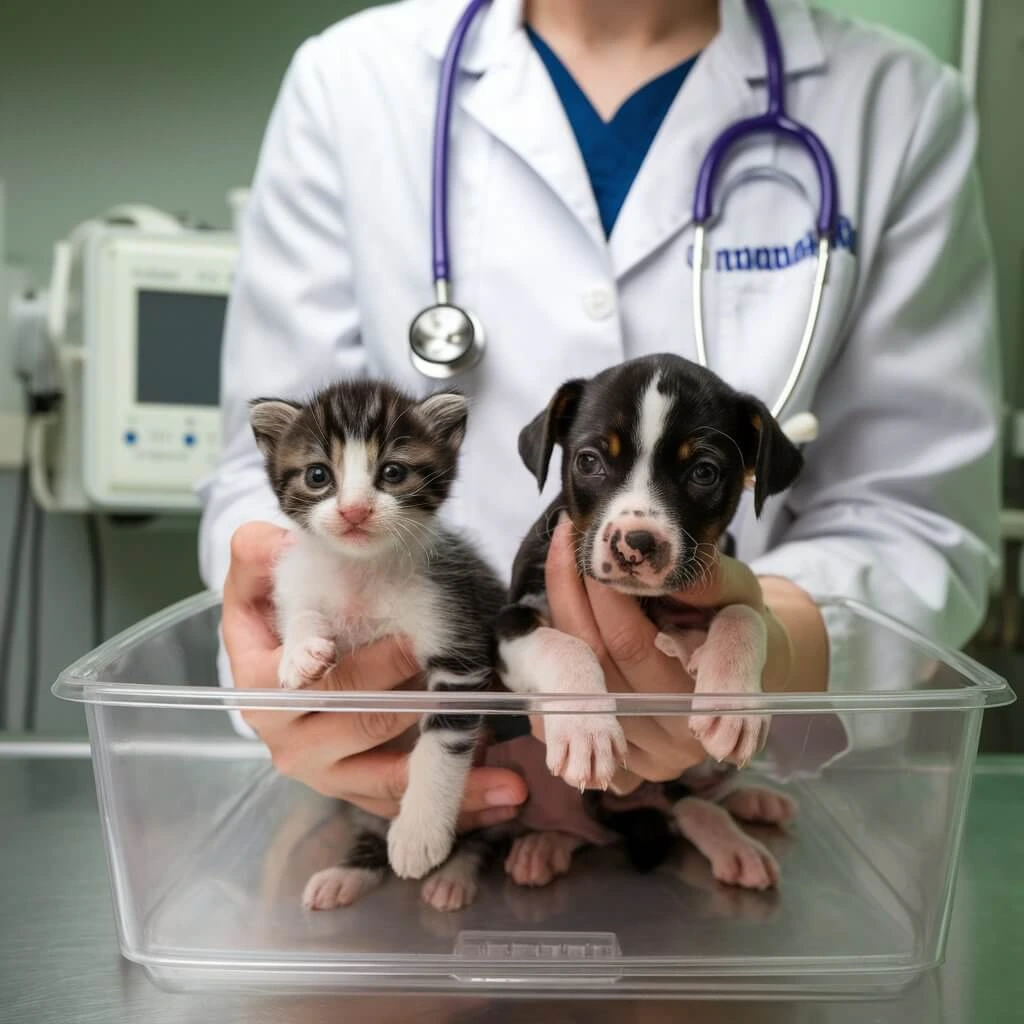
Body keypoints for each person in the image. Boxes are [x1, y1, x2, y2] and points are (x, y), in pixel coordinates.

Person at [199, 0, 1001, 827]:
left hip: (738, 793)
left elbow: (918, 514)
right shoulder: (350, 81)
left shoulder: (895, 106)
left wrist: (782, 642)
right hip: (413, 762)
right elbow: (271, 468)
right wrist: (298, 662)